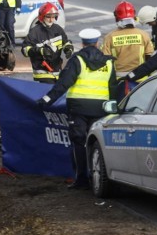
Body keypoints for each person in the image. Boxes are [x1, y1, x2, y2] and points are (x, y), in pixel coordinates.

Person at [37, 28, 117, 189]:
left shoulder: (77, 60)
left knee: (79, 142)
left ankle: (81, 179)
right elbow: (113, 87)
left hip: (78, 108)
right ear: (97, 43)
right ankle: (100, 178)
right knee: (98, 143)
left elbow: (63, 83)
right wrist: (114, 108)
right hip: (100, 109)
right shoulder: (108, 62)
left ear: (82, 43)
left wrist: (46, 100)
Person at [21, 2, 74, 83]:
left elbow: (65, 42)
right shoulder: (35, 32)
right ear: (42, 16)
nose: (51, 20)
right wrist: (40, 51)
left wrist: (68, 49)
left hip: (57, 72)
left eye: (53, 17)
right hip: (42, 73)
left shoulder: (58, 29)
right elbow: (25, 50)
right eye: (48, 17)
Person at [101, 1, 153, 78]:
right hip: (140, 79)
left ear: (116, 17)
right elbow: (150, 57)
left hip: (119, 80)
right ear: (134, 16)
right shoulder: (144, 35)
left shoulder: (109, 37)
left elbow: (104, 60)